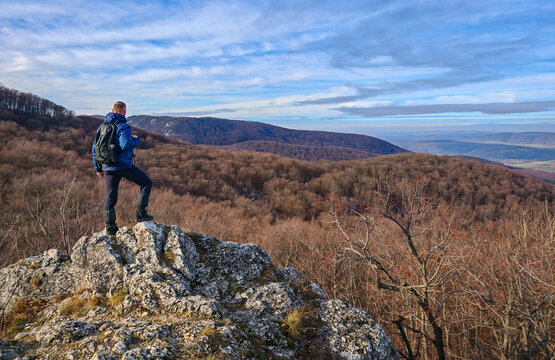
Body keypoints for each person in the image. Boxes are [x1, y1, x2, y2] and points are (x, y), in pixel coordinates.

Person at [92, 101, 153, 236]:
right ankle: (141, 214)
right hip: (122, 165)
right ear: (124, 112)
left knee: (111, 196)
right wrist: (135, 140)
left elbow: (95, 148)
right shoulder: (123, 126)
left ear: (112, 110)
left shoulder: (102, 126)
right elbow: (125, 145)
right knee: (146, 183)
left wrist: (98, 168)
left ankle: (110, 228)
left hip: (107, 166)